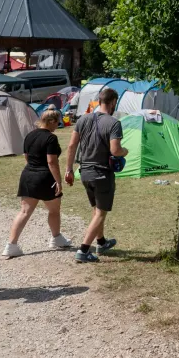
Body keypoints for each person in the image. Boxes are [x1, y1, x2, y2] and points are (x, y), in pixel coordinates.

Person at [65, 87, 128, 263]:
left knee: (96, 208)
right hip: (101, 173)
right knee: (101, 212)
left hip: (84, 172)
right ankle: (83, 251)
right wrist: (125, 151)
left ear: (99, 100)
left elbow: (71, 146)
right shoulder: (114, 123)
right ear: (113, 102)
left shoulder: (82, 119)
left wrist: (69, 169)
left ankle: (101, 242)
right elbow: (115, 150)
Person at [2, 108, 72, 258]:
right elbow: (51, 161)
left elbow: (26, 156)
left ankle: (11, 246)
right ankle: (56, 238)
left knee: (24, 212)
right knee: (54, 210)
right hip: (44, 177)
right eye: (57, 122)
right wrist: (58, 181)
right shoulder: (51, 138)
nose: (58, 125)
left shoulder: (29, 135)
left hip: (28, 176)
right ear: (51, 121)